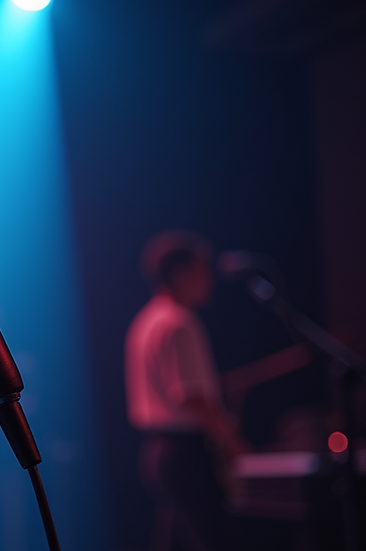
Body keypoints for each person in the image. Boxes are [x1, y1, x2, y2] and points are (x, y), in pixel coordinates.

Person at [124, 230, 249, 551]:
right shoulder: (179, 322)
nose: (209, 280)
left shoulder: (145, 321)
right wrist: (232, 439)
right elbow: (190, 397)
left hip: (158, 452)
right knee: (218, 541)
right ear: (180, 273)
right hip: (184, 453)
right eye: (201, 270)